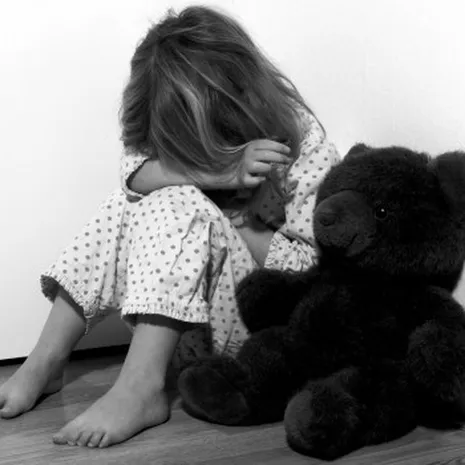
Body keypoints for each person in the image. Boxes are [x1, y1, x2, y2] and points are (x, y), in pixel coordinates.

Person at [0, 5, 340, 449]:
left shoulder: (301, 140)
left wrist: (244, 218)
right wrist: (222, 174)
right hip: (184, 324)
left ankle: (140, 387)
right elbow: (133, 172)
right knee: (126, 202)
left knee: (181, 203)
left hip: (254, 337)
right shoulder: (168, 137)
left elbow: (311, 277)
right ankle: (45, 360)